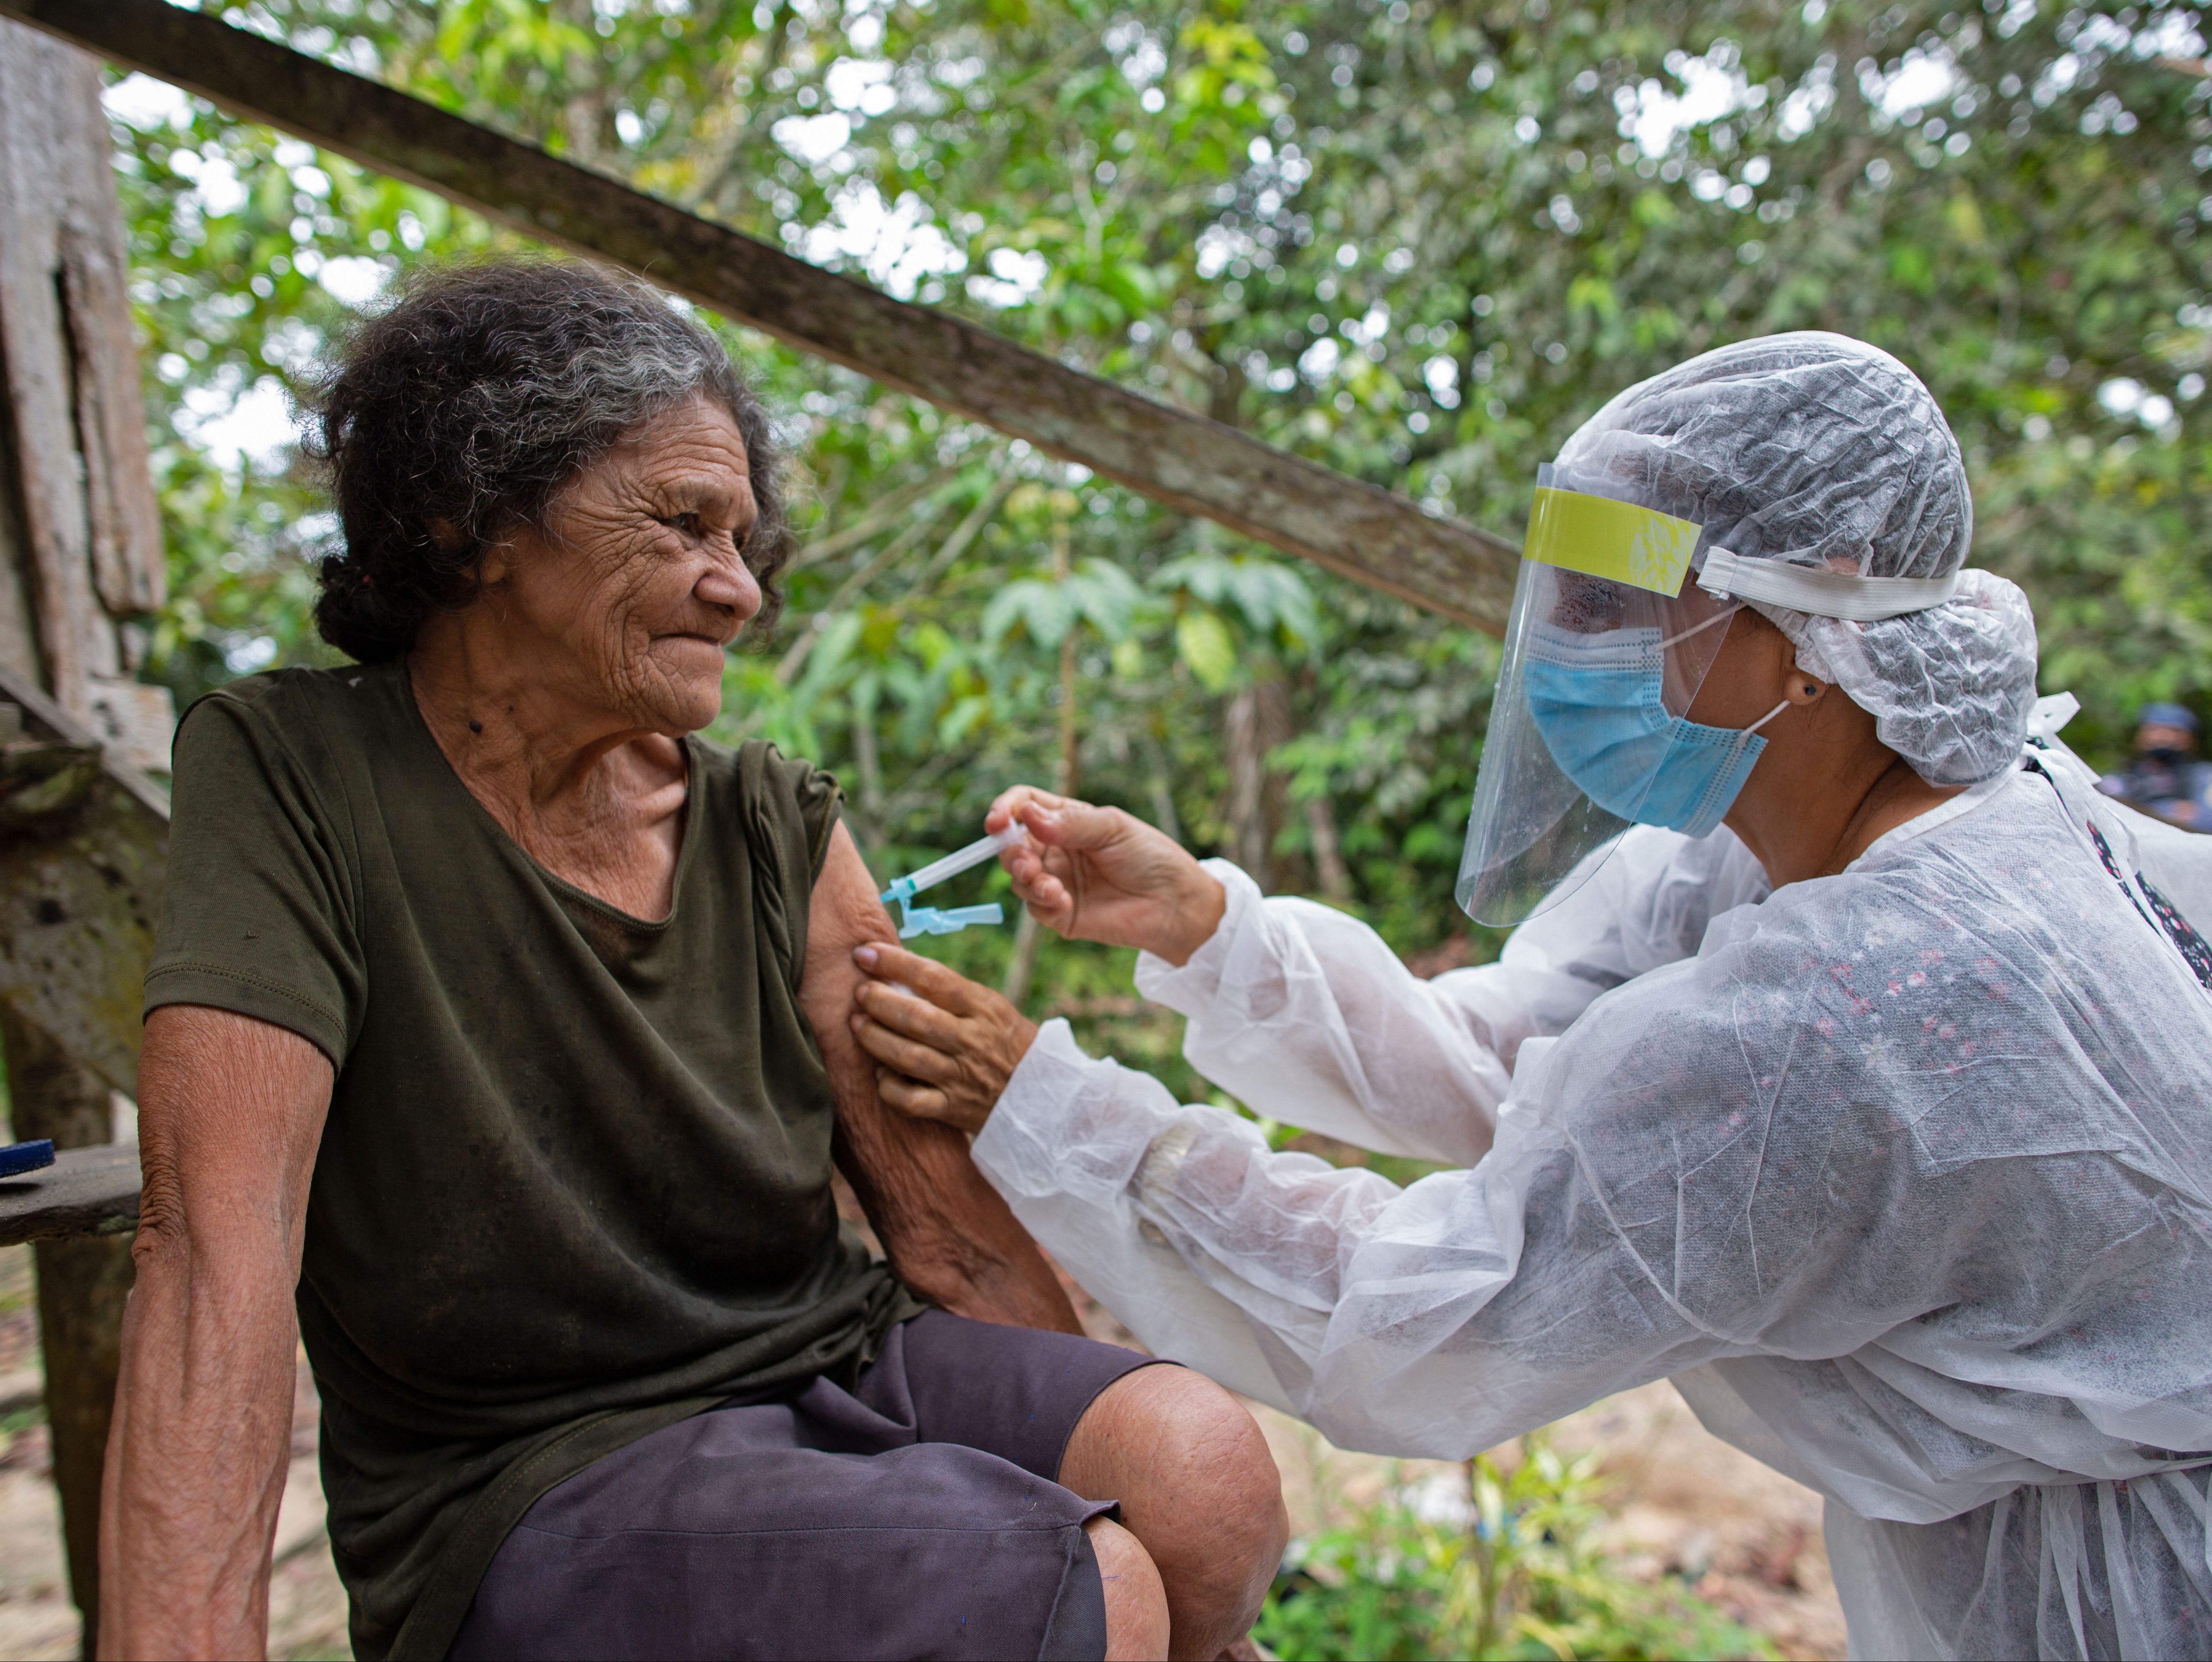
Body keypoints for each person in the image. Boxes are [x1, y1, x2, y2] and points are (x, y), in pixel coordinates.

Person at [850, 334, 2212, 1661]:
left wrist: (1063, 1118)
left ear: (1818, 612)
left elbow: (1433, 1317)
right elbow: (1511, 1058)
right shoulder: (1843, 833)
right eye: (1559, 600)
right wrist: (1207, 928)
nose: (1565, 649)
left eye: (1611, 607)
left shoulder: (1850, 1007)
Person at [106, 260, 1286, 1662]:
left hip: (829, 1362)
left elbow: (945, 1232)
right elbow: (213, 1252)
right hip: (533, 1471)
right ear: (468, 519)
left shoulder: (775, 822)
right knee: (1076, 1590)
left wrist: (1096, 1511)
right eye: (681, 524)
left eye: (741, 538)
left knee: (1203, 1478)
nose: (737, 593)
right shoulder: (296, 773)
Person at [2099, 702, 2212, 828]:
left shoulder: (2204, 776)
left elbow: (2207, 819)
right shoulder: (2120, 780)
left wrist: (2135, 809)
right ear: (2139, 736)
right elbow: (2101, 816)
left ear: (2191, 739)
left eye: (2174, 731)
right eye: (2154, 730)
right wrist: (2175, 810)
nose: (2162, 737)